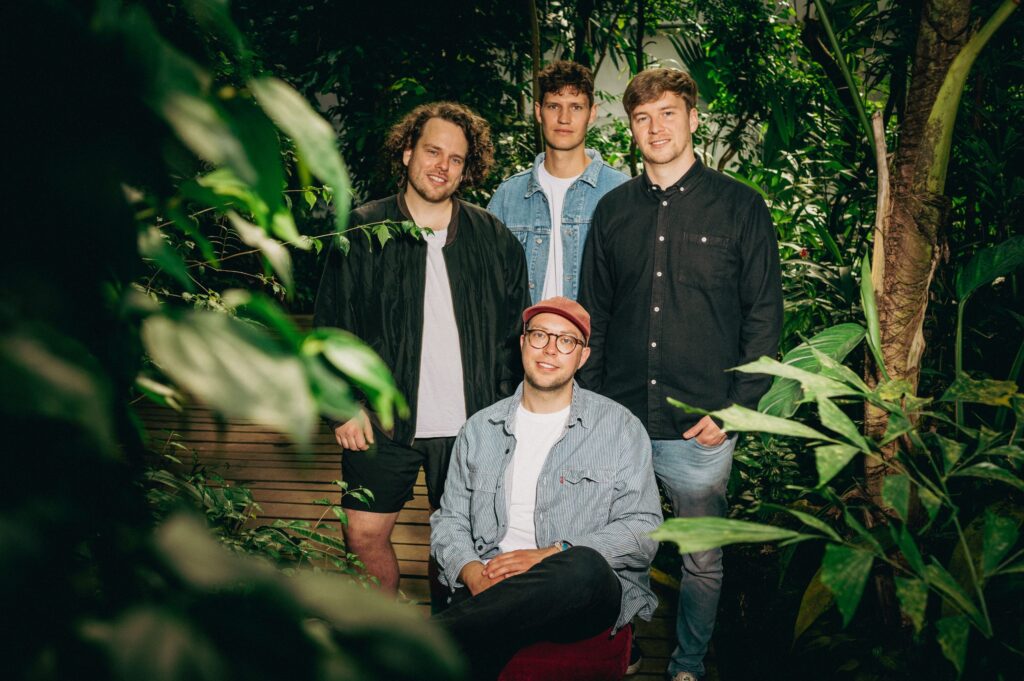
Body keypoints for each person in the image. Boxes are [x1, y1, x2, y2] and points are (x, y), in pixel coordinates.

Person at [578, 68, 783, 681]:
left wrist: (732, 410)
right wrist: (593, 406)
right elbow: (598, 314)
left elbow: (764, 318)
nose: (655, 127)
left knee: (701, 559)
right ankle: (621, 650)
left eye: (668, 113)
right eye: (642, 117)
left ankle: (688, 663)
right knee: (617, 552)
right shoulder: (613, 211)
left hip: (702, 427)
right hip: (623, 421)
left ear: (694, 119)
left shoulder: (741, 206)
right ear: (631, 130)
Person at [314, 101, 530, 594]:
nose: (442, 166)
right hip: (381, 420)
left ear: (466, 168)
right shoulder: (365, 231)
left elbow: (515, 331)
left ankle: (451, 646)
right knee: (363, 535)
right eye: (433, 151)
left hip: (473, 426)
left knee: (462, 547)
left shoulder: (493, 238)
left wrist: (510, 415)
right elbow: (331, 330)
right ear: (408, 152)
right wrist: (341, 406)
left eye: (455, 159)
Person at [431, 297, 662, 680]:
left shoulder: (620, 428)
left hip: (582, 596)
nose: (551, 349)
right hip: (493, 581)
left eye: (566, 341)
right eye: (540, 335)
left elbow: (644, 530)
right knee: (488, 637)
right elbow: (450, 519)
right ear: (522, 342)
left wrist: (550, 555)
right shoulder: (479, 428)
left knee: (586, 564)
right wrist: (472, 572)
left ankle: (417, 639)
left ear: (583, 356)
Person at [488, 60, 627, 304]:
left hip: (591, 340)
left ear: (591, 113)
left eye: (575, 107)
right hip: (523, 339)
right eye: (554, 106)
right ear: (539, 111)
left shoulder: (620, 192)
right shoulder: (509, 195)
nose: (564, 118)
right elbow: (487, 282)